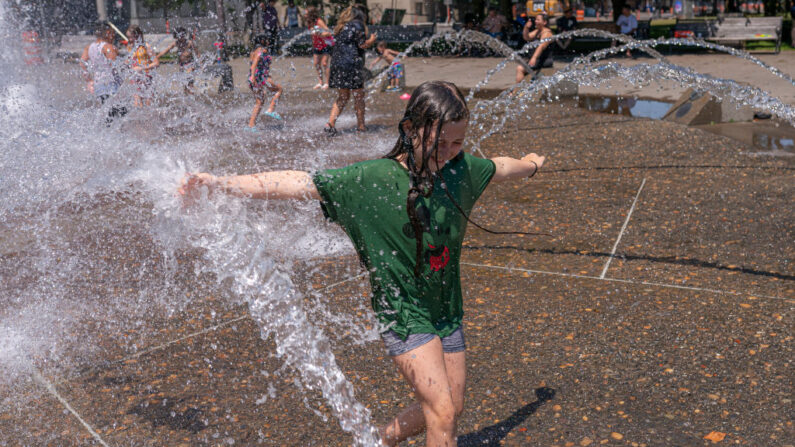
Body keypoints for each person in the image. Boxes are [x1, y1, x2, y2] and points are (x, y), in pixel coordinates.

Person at [178, 80, 546, 447]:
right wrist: (219, 182)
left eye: (457, 143)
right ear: (410, 129)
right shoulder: (371, 180)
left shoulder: (460, 169)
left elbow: (498, 167)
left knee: (452, 405)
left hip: (446, 309)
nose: (448, 152)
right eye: (439, 142)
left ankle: (383, 440)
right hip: (402, 312)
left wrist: (531, 164)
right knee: (443, 411)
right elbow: (300, 182)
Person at [325, 4, 377, 135]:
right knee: (359, 95)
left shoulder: (341, 27)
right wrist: (371, 40)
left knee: (343, 96)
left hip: (337, 63)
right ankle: (361, 126)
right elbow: (362, 44)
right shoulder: (358, 25)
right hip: (351, 64)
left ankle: (330, 123)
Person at [80, 23, 126, 123]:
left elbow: (82, 64)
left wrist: (89, 80)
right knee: (121, 113)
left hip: (98, 85)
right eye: (113, 34)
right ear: (108, 33)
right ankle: (113, 134)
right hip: (111, 85)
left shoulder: (89, 47)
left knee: (109, 112)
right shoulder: (108, 47)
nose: (114, 37)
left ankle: (105, 133)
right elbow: (115, 67)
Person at [247, 34, 283, 128]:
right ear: (262, 41)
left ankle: (251, 124)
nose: (268, 41)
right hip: (261, 78)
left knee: (260, 101)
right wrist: (253, 76)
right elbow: (254, 64)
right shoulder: (261, 50)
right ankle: (271, 109)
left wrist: (252, 77)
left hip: (257, 77)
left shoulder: (254, 51)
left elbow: (258, 64)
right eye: (266, 40)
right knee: (279, 89)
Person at [126, 25, 159, 107]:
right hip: (135, 78)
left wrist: (142, 68)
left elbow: (156, 63)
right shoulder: (130, 47)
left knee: (148, 105)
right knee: (136, 104)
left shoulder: (146, 47)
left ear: (138, 35)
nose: (129, 40)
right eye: (128, 37)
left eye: (131, 37)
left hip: (147, 77)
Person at [156, 27, 197, 94]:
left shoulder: (189, 43)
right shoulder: (176, 43)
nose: (181, 38)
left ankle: (192, 95)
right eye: (179, 36)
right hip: (182, 65)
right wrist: (156, 57)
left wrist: (200, 64)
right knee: (184, 84)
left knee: (190, 82)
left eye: (182, 36)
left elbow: (197, 53)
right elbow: (166, 50)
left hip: (190, 64)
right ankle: (187, 99)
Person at [515, 13, 553, 83]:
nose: (535, 21)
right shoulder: (537, 31)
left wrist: (534, 58)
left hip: (543, 60)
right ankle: (520, 89)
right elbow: (526, 37)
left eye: (538, 20)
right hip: (537, 59)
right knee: (521, 67)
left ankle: (517, 90)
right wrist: (526, 27)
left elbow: (541, 46)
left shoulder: (547, 33)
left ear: (544, 22)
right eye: (536, 19)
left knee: (520, 68)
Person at [306, 6, 333, 90]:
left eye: (306, 13)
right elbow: (312, 35)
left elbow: (329, 32)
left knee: (324, 63)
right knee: (316, 64)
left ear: (311, 14)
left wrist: (320, 34)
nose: (304, 15)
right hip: (317, 45)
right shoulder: (309, 22)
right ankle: (320, 82)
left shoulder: (319, 21)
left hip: (325, 44)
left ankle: (327, 83)